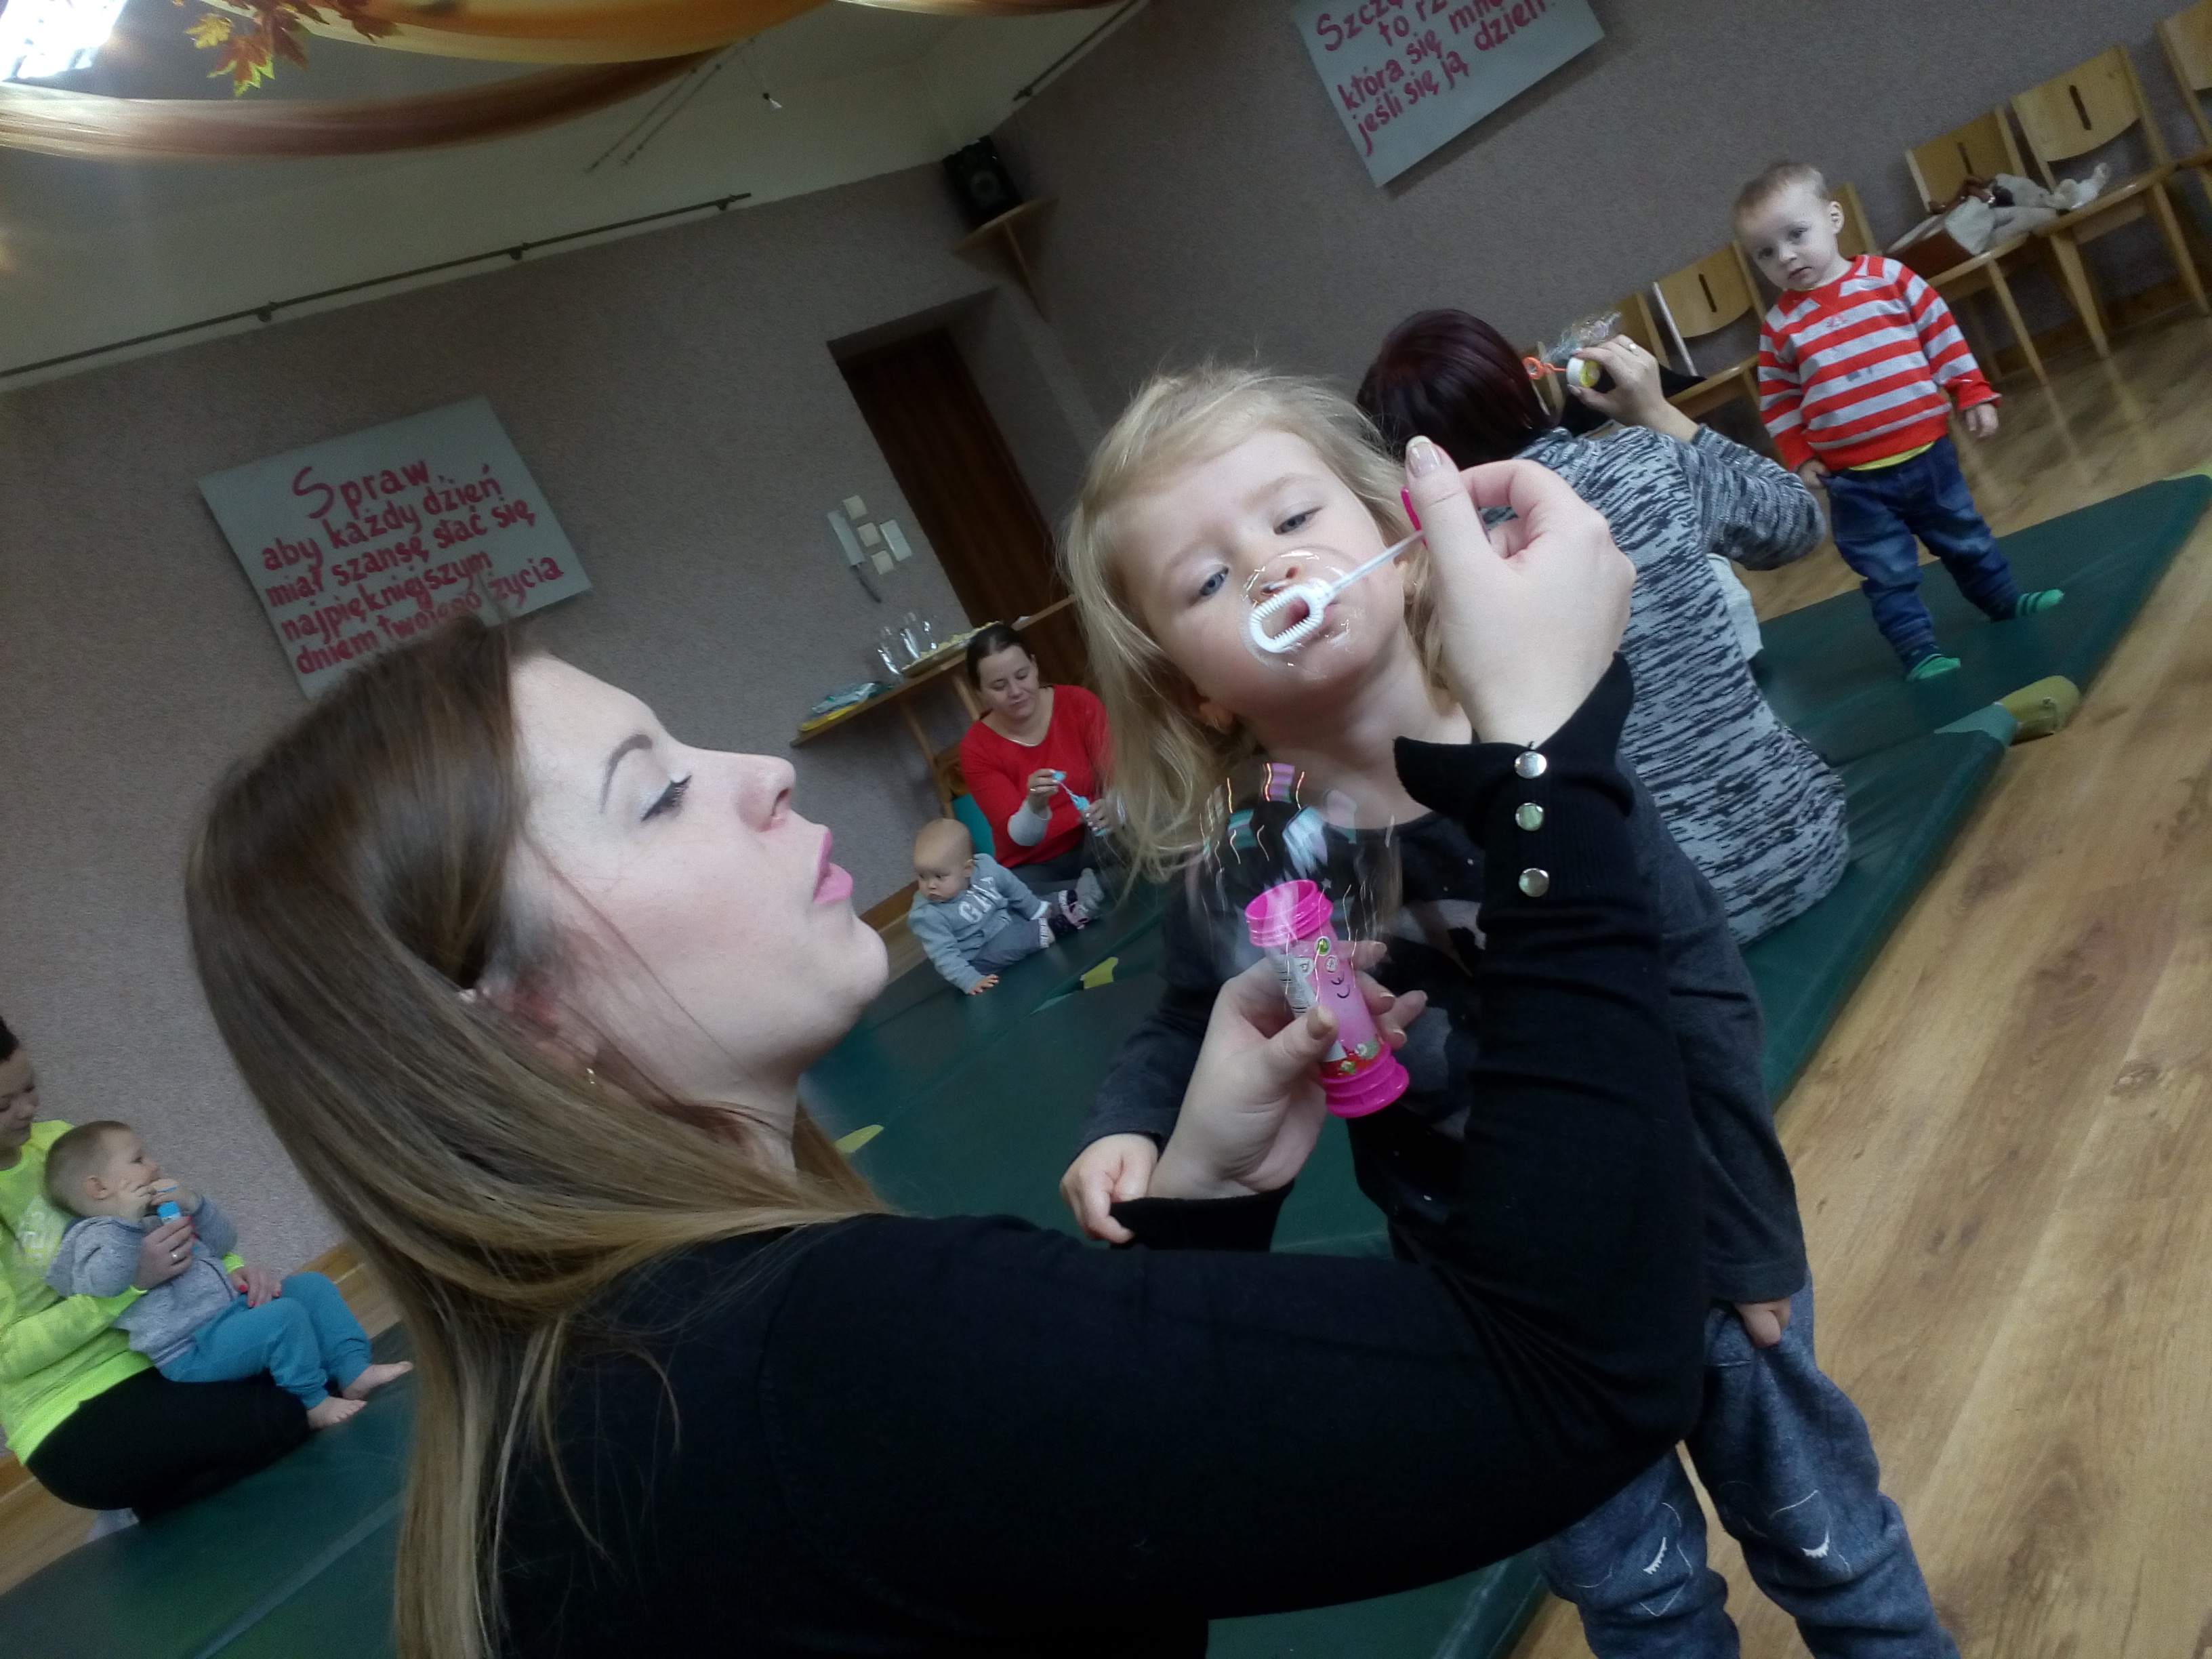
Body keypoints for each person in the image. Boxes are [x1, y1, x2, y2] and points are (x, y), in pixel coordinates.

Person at [182, 445, 1711, 1659]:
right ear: (522, 1023)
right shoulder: (824, 1358)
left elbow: (1093, 1552)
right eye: (656, 794)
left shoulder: (598, 1407)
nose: (765, 773)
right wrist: (1541, 769)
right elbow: (1577, 1379)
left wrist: (1201, 1206)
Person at [1057, 367, 1954, 1658]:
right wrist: (1129, 1121)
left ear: (1404, 545)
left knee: (1821, 1534)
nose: (1264, 567)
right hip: (1486, 1304)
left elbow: (1702, 1002)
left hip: (1691, 1246)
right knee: (1634, 1596)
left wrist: (1752, 1240)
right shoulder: (1256, 864)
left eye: (1293, 517)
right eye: (1204, 579)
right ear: (1194, 688)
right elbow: (1187, 1015)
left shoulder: (1538, 767)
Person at [1360, 309, 1848, 945]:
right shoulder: (1649, 459)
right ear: (1517, 386)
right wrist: (1659, 414)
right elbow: (1797, 523)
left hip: (1665, 916)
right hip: (1810, 838)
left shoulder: (1437, 579)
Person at [1735, 161, 2062, 680]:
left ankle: (2003, 600)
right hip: (1854, 482)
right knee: (1885, 569)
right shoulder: (1780, 329)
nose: (1786, 256)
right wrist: (1799, 455)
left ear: (1833, 218)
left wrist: (1970, 391)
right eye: (1766, 253)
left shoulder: (1890, 279)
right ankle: (1917, 650)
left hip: (1930, 457)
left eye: (1796, 235)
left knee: (1966, 536)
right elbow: (1779, 402)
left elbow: (1941, 336)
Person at [0, 1016, 310, 1519]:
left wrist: (230, 1270)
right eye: (4, 1105)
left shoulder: (53, 1142)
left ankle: (168, 1485)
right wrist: (129, 1285)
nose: (29, 1109)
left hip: (162, 1349)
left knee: (311, 1373)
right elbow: (7, 1355)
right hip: (67, 1411)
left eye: (30, 1087)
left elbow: (156, 1218)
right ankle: (148, 1502)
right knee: (284, 1415)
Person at [42, 1121, 409, 1430]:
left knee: (311, 1287)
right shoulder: (91, 1237)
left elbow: (221, 1243)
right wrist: (125, 1223)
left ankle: (353, 1370)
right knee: (284, 1318)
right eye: (139, 1160)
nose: (154, 1164)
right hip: (191, 1349)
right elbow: (106, 1282)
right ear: (99, 1188)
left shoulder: (157, 1212)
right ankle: (312, 1401)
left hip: (230, 1314)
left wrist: (194, 1204)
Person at [957, 621, 1113, 907]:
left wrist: (1116, 808)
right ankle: (1097, 890)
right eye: (999, 686)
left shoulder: (1078, 703)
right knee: (1014, 893)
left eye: (1022, 675)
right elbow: (1021, 839)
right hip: (1034, 864)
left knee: (1147, 832)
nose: (1016, 691)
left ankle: (1078, 897)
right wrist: (1035, 805)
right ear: (980, 692)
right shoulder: (976, 748)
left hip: (1098, 838)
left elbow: (1123, 780)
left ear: (1035, 665)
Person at [907, 818, 1086, 995]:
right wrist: (970, 980)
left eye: (939, 877)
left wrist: (1036, 909)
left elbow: (1013, 889)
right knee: (1017, 939)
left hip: (1003, 918)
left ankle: (1075, 897)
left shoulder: (985, 867)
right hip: (981, 953)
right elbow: (944, 954)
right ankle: (1066, 921)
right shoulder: (927, 915)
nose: (930, 885)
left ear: (967, 869)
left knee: (1027, 902)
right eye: (922, 876)